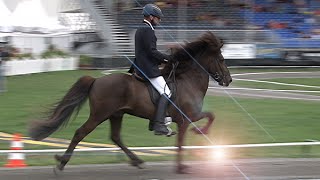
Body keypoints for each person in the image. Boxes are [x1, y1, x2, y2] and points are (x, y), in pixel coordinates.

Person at [134, 3, 175, 136]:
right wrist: (168, 58)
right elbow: (152, 52)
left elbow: (146, 52)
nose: (159, 20)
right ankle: (159, 125)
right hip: (147, 68)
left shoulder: (141, 28)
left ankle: (154, 120)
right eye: (158, 18)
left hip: (141, 65)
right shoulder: (148, 30)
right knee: (167, 92)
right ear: (151, 17)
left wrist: (161, 60)